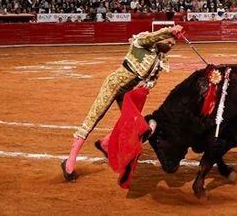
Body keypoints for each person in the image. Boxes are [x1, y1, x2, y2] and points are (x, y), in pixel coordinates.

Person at [62, 24, 185, 181]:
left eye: (173, 43)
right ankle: (69, 162)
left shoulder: (161, 59)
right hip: (113, 85)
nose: (172, 44)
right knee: (93, 118)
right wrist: (168, 31)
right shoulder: (142, 42)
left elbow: (152, 80)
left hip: (128, 94)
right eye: (169, 41)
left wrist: (146, 85)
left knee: (134, 126)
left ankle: (106, 143)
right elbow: (153, 37)